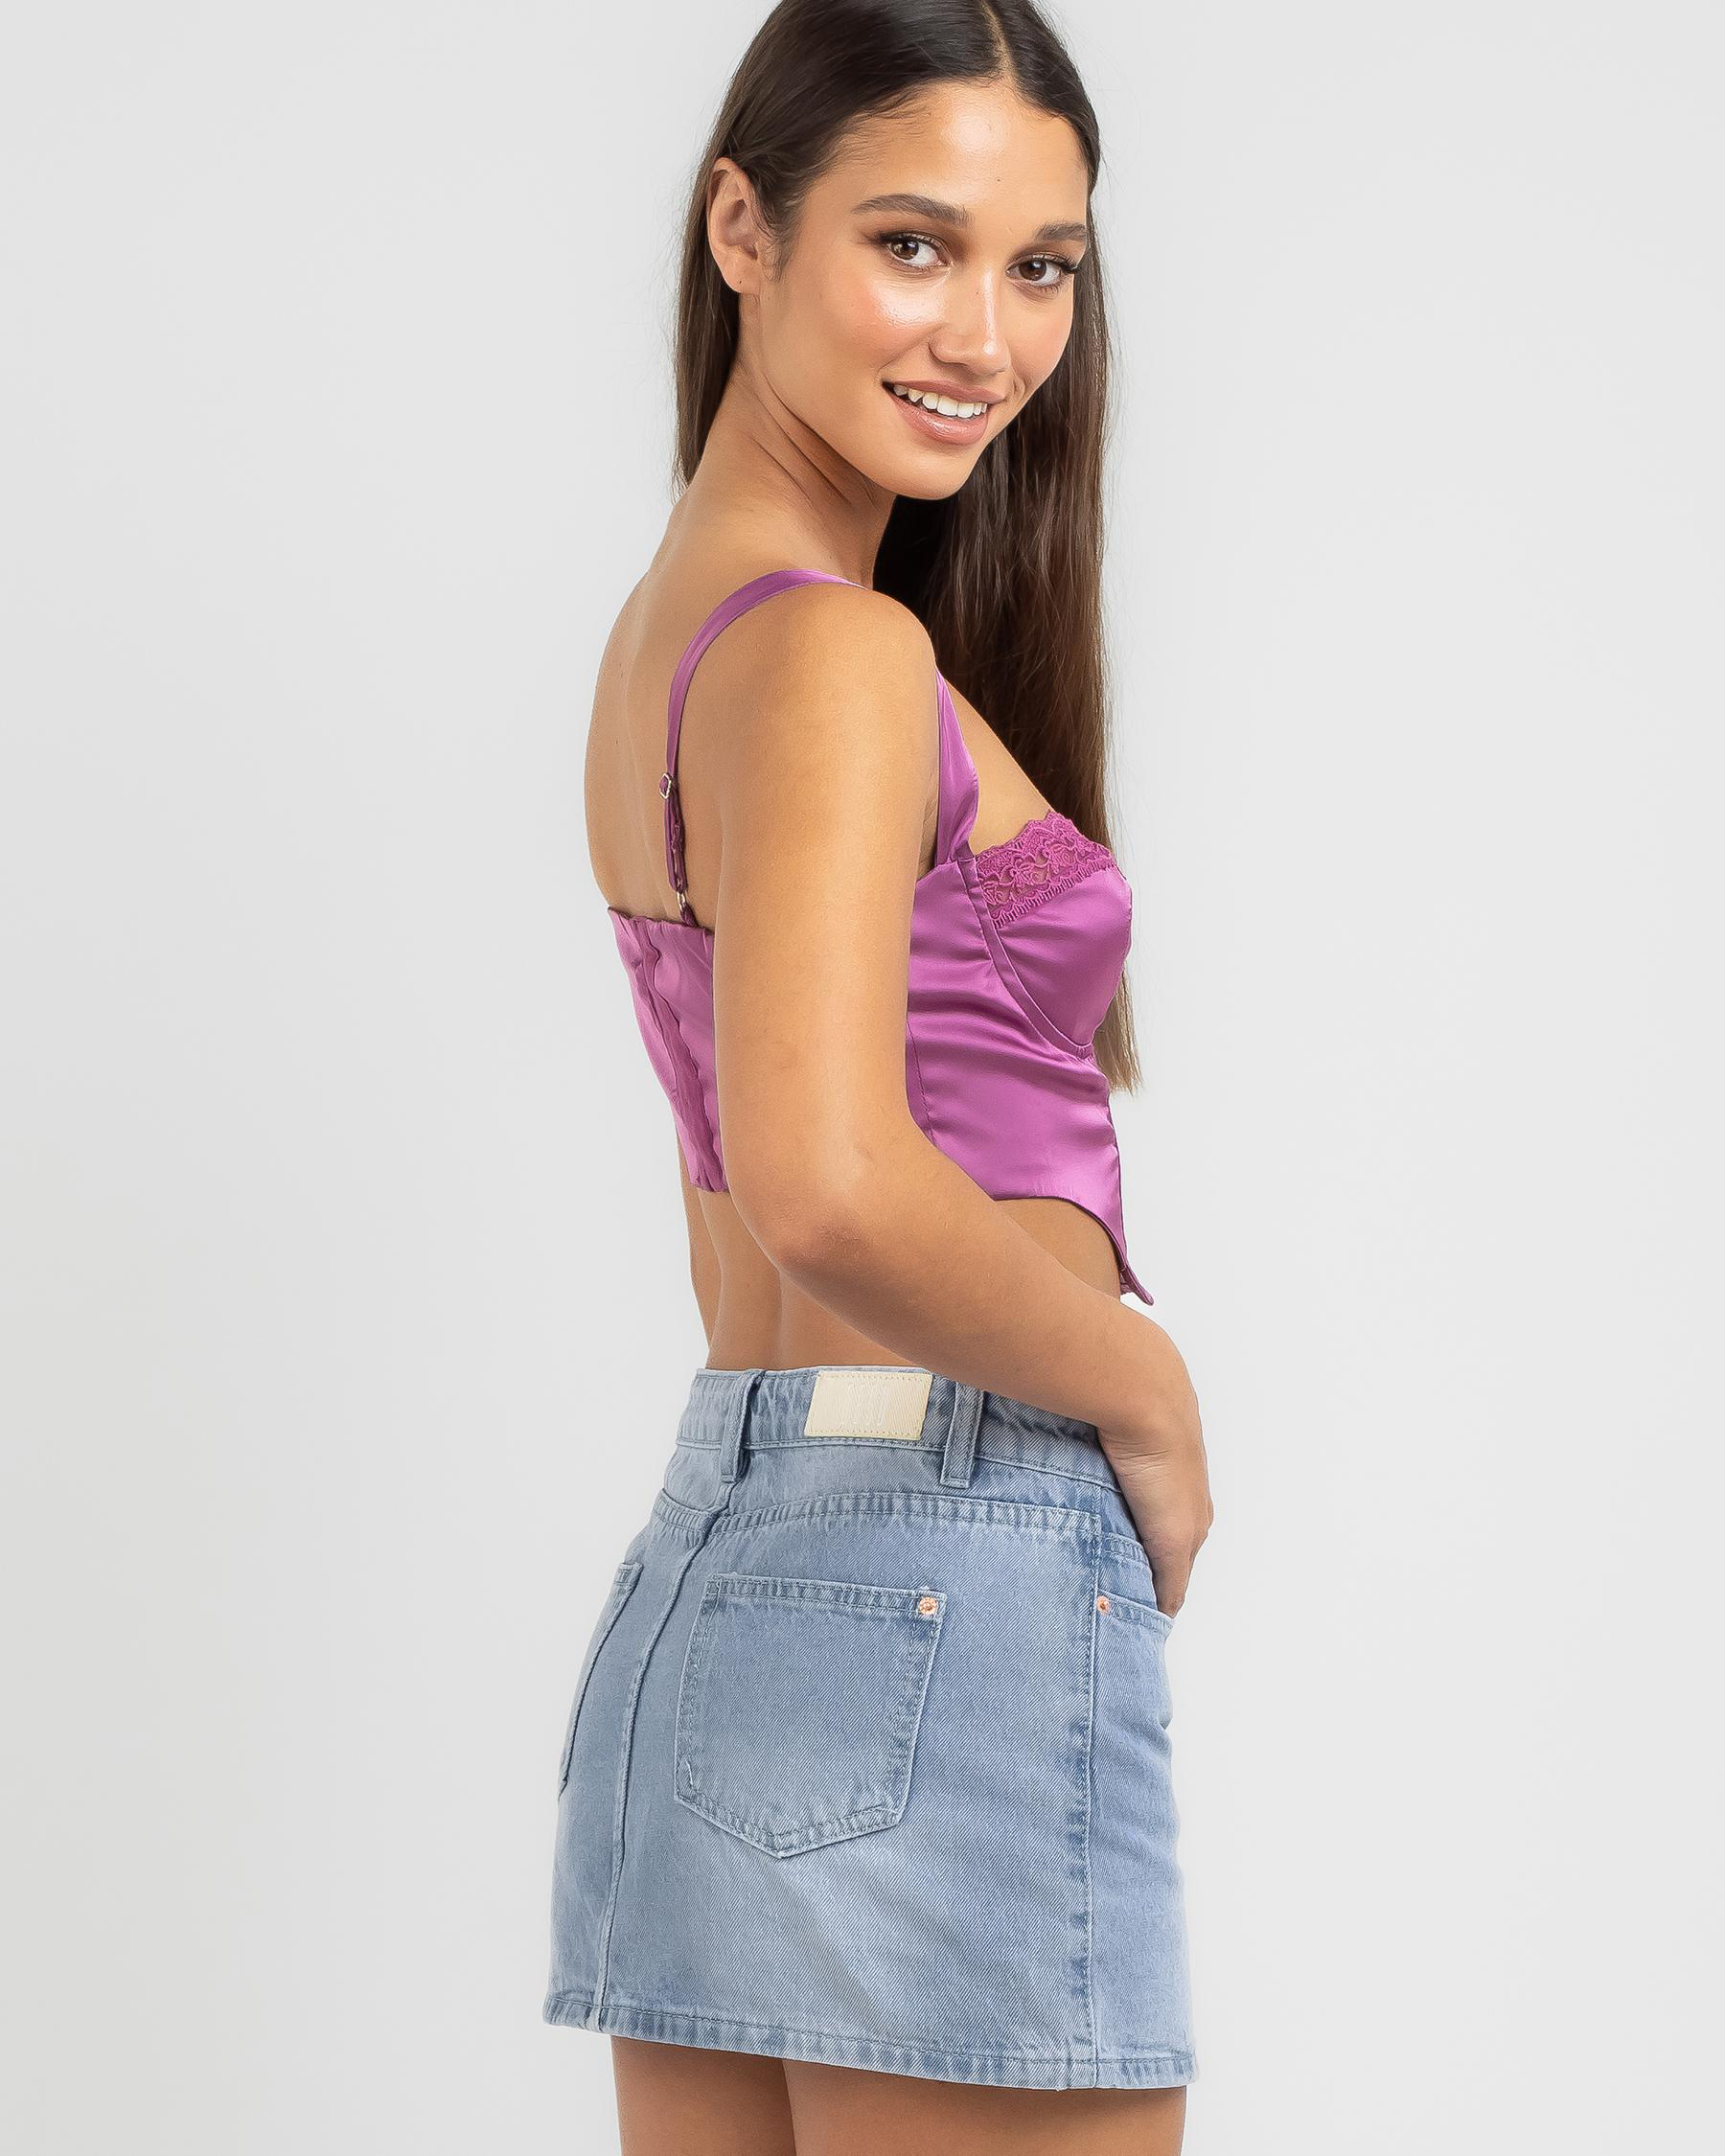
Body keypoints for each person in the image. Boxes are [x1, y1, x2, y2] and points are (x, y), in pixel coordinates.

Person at [545, 5, 1213, 2149]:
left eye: (1043, 267)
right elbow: (820, 1174)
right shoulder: (834, 649)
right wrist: (1138, 1386)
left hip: (730, 1569)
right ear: (742, 226)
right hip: (940, 1553)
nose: (986, 338)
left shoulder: (683, 632)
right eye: (912, 245)